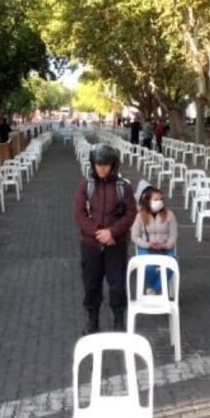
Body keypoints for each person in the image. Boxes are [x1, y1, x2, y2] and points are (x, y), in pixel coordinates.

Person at [73, 143, 137, 334]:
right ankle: (92, 321)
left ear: (113, 165)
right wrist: (98, 233)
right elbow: (79, 214)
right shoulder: (85, 186)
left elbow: (130, 214)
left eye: (106, 165)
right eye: (99, 164)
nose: (102, 168)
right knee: (91, 284)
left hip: (116, 244)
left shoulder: (123, 187)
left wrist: (112, 232)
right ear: (93, 165)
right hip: (91, 245)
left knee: (117, 284)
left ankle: (119, 321)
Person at [131, 186, 177, 295]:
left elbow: (173, 235)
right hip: (146, 247)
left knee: (171, 265)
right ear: (148, 201)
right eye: (156, 199)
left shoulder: (170, 215)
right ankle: (157, 288)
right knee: (148, 268)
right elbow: (134, 236)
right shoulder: (140, 216)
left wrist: (166, 245)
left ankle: (154, 290)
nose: (159, 202)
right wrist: (147, 244)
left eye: (161, 199)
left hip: (165, 247)